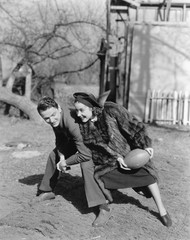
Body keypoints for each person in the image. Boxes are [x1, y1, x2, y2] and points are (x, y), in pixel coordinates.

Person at [73, 92, 172, 227]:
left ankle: (162, 210)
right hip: (107, 162)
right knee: (98, 177)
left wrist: (146, 146)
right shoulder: (83, 126)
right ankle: (104, 206)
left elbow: (134, 126)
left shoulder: (111, 110)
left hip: (129, 155)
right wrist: (116, 158)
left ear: (91, 107)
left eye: (81, 110)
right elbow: (95, 151)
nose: (78, 114)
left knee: (149, 176)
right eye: (77, 110)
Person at [36, 96, 110, 226]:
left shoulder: (71, 123)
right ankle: (47, 191)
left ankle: (103, 207)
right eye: (46, 118)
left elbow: (85, 155)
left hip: (96, 142)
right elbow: (59, 139)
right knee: (54, 156)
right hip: (78, 140)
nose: (51, 120)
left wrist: (66, 163)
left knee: (87, 166)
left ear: (58, 108)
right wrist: (62, 156)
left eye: (53, 115)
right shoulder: (54, 119)